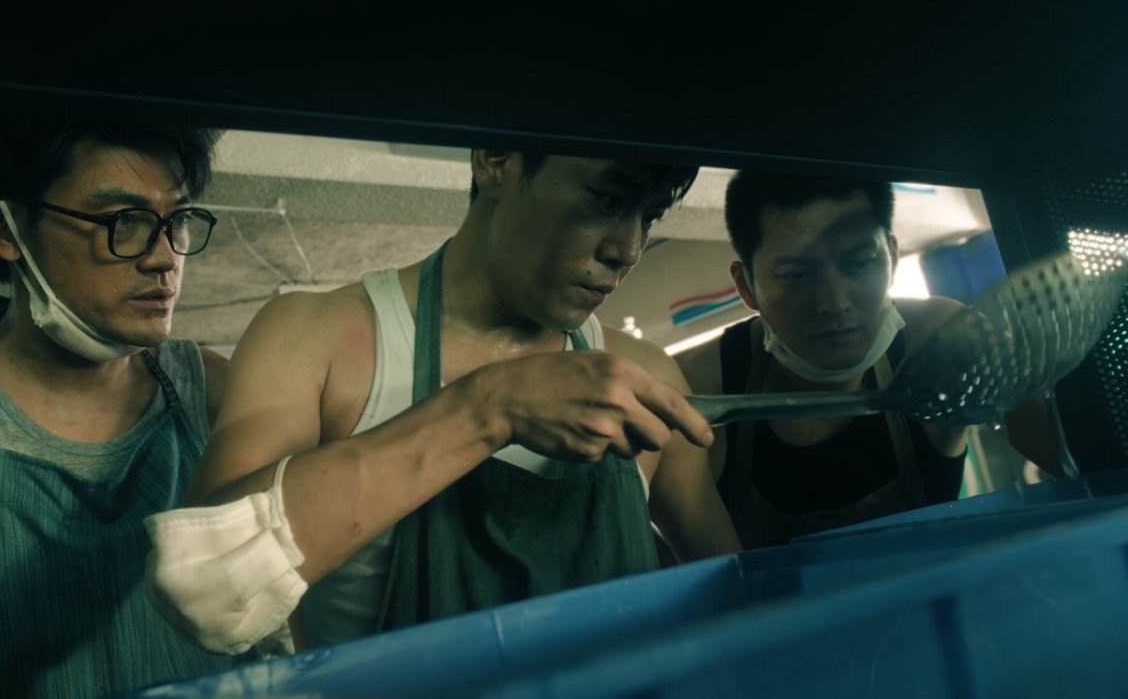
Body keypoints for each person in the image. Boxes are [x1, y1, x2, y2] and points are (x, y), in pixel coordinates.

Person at [144, 151, 742, 656]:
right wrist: (487, 408)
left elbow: (737, 613)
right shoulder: (317, 339)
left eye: (649, 215)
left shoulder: (646, 380)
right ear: (496, 161)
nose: (629, 248)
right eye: (608, 201)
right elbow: (208, 586)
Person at [0, 108, 237, 697]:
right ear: (2, 229)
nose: (164, 257)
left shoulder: (220, 394)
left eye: (176, 220)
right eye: (124, 220)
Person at [668, 170, 1064, 551]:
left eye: (859, 263)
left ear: (891, 255)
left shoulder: (943, 341)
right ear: (746, 286)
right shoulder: (699, 388)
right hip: (768, 602)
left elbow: (1077, 458)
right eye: (797, 275)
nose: (834, 302)